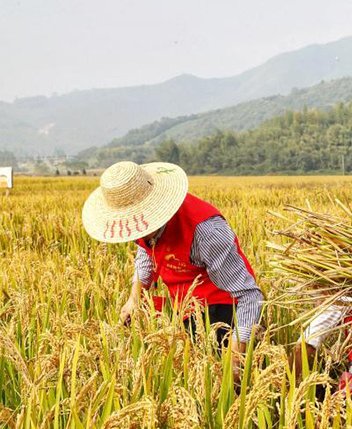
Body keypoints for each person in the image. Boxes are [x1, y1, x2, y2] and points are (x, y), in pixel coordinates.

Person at [81, 161, 263, 385]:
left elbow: (248, 295)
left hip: (222, 305)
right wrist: (135, 296)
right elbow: (145, 254)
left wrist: (237, 350)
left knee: (215, 379)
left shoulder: (206, 231)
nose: (137, 234)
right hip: (183, 304)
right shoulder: (141, 227)